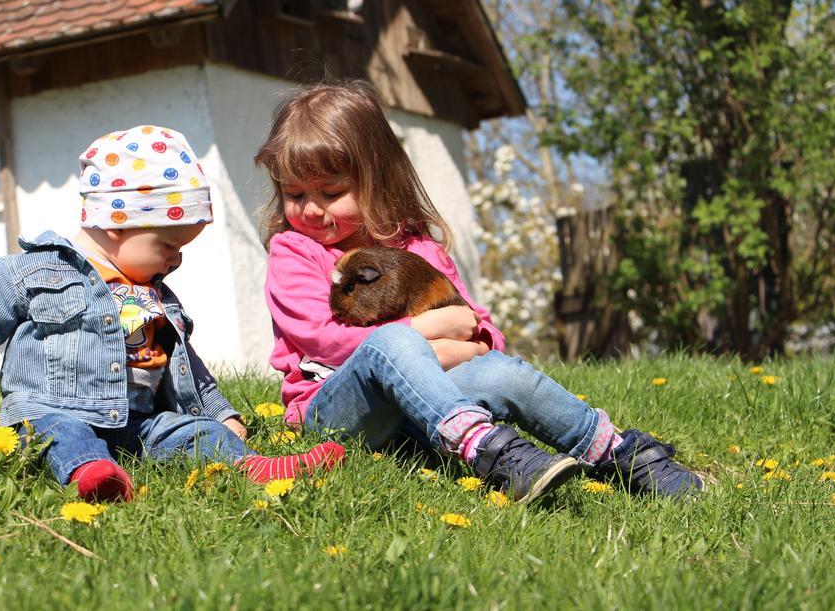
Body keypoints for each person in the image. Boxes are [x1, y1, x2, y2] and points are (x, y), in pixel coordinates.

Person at [253, 80, 704, 503]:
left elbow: (484, 337)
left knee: (505, 374)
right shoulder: (294, 252)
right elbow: (323, 340)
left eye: (331, 192)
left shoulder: (417, 249)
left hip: (419, 406)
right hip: (338, 413)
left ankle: (614, 452)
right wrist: (428, 333)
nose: (311, 209)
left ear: (377, 180)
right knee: (391, 343)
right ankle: (490, 450)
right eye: (294, 194)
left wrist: (468, 344)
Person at [0, 125, 344, 502]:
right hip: (54, 411)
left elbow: (186, 368)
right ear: (118, 223)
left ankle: (254, 466)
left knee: (193, 433)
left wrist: (222, 415)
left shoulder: (157, 298)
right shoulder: (37, 270)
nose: (176, 260)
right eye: (168, 245)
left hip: (139, 423)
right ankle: (93, 475)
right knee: (60, 435)